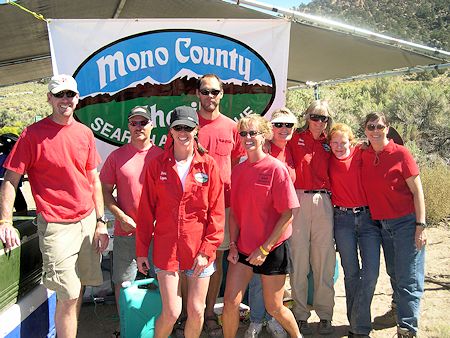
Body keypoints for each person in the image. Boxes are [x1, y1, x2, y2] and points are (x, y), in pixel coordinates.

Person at [0, 74, 109, 338]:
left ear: (77, 98)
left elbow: (93, 180)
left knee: (78, 287)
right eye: (59, 94)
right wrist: (5, 223)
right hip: (55, 226)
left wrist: (100, 222)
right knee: (69, 293)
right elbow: (10, 180)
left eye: (69, 94)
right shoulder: (32, 135)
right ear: (49, 98)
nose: (65, 100)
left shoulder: (84, 133)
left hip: (86, 223)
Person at [136, 106, 225, 338]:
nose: (183, 132)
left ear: (196, 129)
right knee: (172, 312)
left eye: (188, 127)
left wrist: (207, 251)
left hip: (199, 251)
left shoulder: (209, 165)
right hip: (167, 250)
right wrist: (141, 251)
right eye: (178, 127)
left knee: (197, 310)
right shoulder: (157, 165)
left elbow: (216, 213)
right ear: (171, 131)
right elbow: (145, 212)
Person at [222, 114, 301, 338]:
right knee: (230, 302)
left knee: (274, 307)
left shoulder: (276, 169)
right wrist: (234, 245)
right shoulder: (237, 171)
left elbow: (288, 214)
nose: (248, 137)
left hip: (273, 248)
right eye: (243, 133)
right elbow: (235, 214)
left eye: (253, 133)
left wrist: (265, 249)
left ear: (264, 135)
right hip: (245, 249)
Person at [361, 112, 426, 338]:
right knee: (395, 273)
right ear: (365, 130)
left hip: (406, 223)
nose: (376, 130)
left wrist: (421, 225)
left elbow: (417, 191)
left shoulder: (401, 154)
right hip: (381, 225)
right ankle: (398, 311)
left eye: (380, 126)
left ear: (387, 128)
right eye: (371, 127)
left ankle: (407, 329)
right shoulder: (365, 154)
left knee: (408, 277)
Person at [100, 105, 163, 338]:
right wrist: (121, 216)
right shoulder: (117, 157)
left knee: (162, 281)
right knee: (123, 283)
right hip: (127, 233)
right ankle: (126, 327)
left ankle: (160, 327)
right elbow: (104, 192)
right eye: (134, 123)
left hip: (159, 234)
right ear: (128, 126)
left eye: (143, 122)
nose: (139, 127)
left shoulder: (163, 155)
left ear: (151, 126)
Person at [195, 73, 244, 336]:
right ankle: (188, 313)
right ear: (197, 94)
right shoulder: (187, 127)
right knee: (189, 262)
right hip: (191, 208)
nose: (210, 96)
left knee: (215, 260)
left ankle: (209, 312)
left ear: (222, 94)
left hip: (223, 207)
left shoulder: (231, 127)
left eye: (214, 92)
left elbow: (239, 166)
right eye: (205, 91)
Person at [245, 108, 297, 338]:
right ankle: (257, 319)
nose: (283, 129)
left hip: (285, 222)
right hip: (263, 224)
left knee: (275, 280)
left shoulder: (293, 149)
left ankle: (272, 318)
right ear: (268, 130)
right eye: (278, 125)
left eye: (288, 125)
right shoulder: (263, 150)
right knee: (258, 277)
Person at [328, 123, 381, 337]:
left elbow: (384, 145)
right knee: (351, 274)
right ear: (329, 144)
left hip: (368, 219)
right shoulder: (327, 161)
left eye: (343, 142)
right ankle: (358, 327)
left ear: (351, 141)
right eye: (334, 143)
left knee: (371, 273)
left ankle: (357, 321)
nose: (339, 147)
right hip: (342, 220)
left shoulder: (361, 153)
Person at [287, 100, 335, 335]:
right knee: (299, 258)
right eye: (315, 117)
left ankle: (325, 313)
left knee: (324, 260)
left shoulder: (331, 141)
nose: (318, 121)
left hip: (324, 200)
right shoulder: (295, 138)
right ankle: (300, 313)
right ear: (307, 117)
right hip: (298, 200)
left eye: (323, 118)